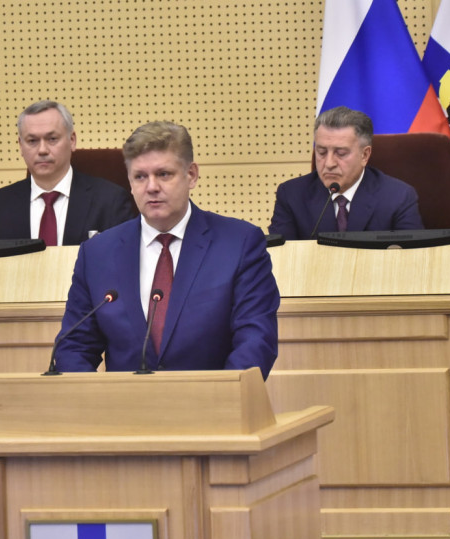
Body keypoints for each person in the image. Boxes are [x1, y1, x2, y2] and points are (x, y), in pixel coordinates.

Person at [53, 121, 280, 379]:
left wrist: (222, 396)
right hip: (125, 404)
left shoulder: (239, 244)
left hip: (213, 402)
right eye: (140, 176)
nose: (151, 187)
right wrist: (96, 400)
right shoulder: (97, 254)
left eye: (163, 174)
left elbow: (256, 340)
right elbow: (74, 347)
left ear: (191, 175)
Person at [0, 100, 134, 245]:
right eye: (32, 141)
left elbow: (126, 262)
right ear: (20, 145)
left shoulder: (110, 201)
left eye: (52, 139)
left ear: (72, 140)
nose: (42, 150)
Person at [269, 106, 424, 240]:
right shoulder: (291, 195)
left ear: (365, 155)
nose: (329, 163)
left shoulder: (398, 197)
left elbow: (412, 256)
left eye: (341, 153)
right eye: (321, 152)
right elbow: (280, 257)